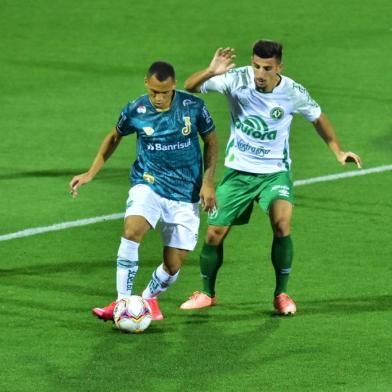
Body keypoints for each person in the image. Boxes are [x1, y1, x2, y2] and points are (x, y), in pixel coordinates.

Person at [179, 40, 362, 315]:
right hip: (239, 171)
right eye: (256, 66)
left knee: (281, 224)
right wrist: (210, 70)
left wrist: (337, 151)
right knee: (214, 234)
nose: (259, 74)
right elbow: (189, 87)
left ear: (279, 67)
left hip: (275, 172)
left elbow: (318, 117)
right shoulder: (236, 79)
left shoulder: (292, 92)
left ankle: (282, 293)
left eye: (267, 68)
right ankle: (207, 292)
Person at [69, 61, 218, 321]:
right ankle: (122, 302)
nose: (159, 98)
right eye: (154, 93)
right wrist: (91, 172)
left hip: (185, 193)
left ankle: (148, 298)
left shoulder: (193, 107)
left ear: (173, 86)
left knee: (173, 266)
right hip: (149, 183)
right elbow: (114, 136)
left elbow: (212, 140)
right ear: (146, 84)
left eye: (165, 92)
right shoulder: (136, 109)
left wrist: (208, 181)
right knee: (132, 230)